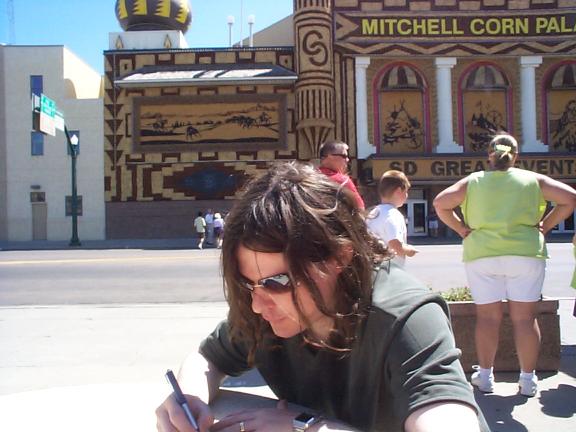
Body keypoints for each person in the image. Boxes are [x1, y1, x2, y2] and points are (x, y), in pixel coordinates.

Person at [156, 162, 488, 432]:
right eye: (247, 284)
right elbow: (207, 359)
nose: (257, 304)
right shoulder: (265, 309)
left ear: (339, 257)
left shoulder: (406, 318)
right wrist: (189, 399)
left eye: (277, 281)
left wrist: (306, 426)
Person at [433, 132, 576, 398]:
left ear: (489, 156)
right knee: (525, 319)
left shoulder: (473, 181)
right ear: (515, 156)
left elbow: (440, 203)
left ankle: (486, 376)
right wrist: (546, 225)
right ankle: (528, 379)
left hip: (482, 253)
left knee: (487, 318)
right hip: (526, 253)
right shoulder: (533, 180)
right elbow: (570, 197)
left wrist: (461, 229)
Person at [366, 170, 418, 267]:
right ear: (398, 191)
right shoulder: (393, 215)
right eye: (406, 191)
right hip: (389, 268)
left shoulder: (373, 213)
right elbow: (395, 245)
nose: (407, 196)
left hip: (372, 266)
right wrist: (409, 250)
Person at [318, 140, 365, 211]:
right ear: (330, 156)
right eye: (344, 156)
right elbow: (360, 209)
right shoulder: (342, 181)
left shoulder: (309, 177)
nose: (347, 160)